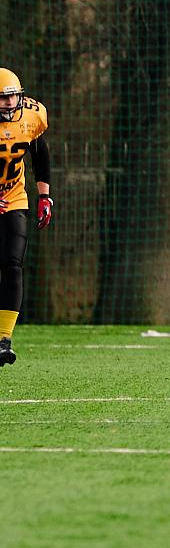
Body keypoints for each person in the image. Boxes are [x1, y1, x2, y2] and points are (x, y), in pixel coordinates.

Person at [0, 68, 54, 366]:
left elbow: (39, 153)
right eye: (3, 98)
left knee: (13, 264)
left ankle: (3, 339)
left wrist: (44, 196)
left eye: (13, 97)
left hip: (13, 196)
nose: (10, 103)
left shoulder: (31, 116)